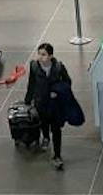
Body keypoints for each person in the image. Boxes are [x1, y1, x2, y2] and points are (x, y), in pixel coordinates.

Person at [25, 42, 73, 170]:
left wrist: (57, 91)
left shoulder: (58, 67)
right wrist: (28, 100)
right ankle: (45, 137)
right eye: (39, 54)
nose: (41, 57)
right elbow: (32, 84)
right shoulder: (34, 66)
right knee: (43, 123)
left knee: (56, 129)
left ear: (50, 56)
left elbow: (67, 82)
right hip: (41, 102)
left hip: (55, 104)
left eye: (44, 54)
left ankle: (57, 155)